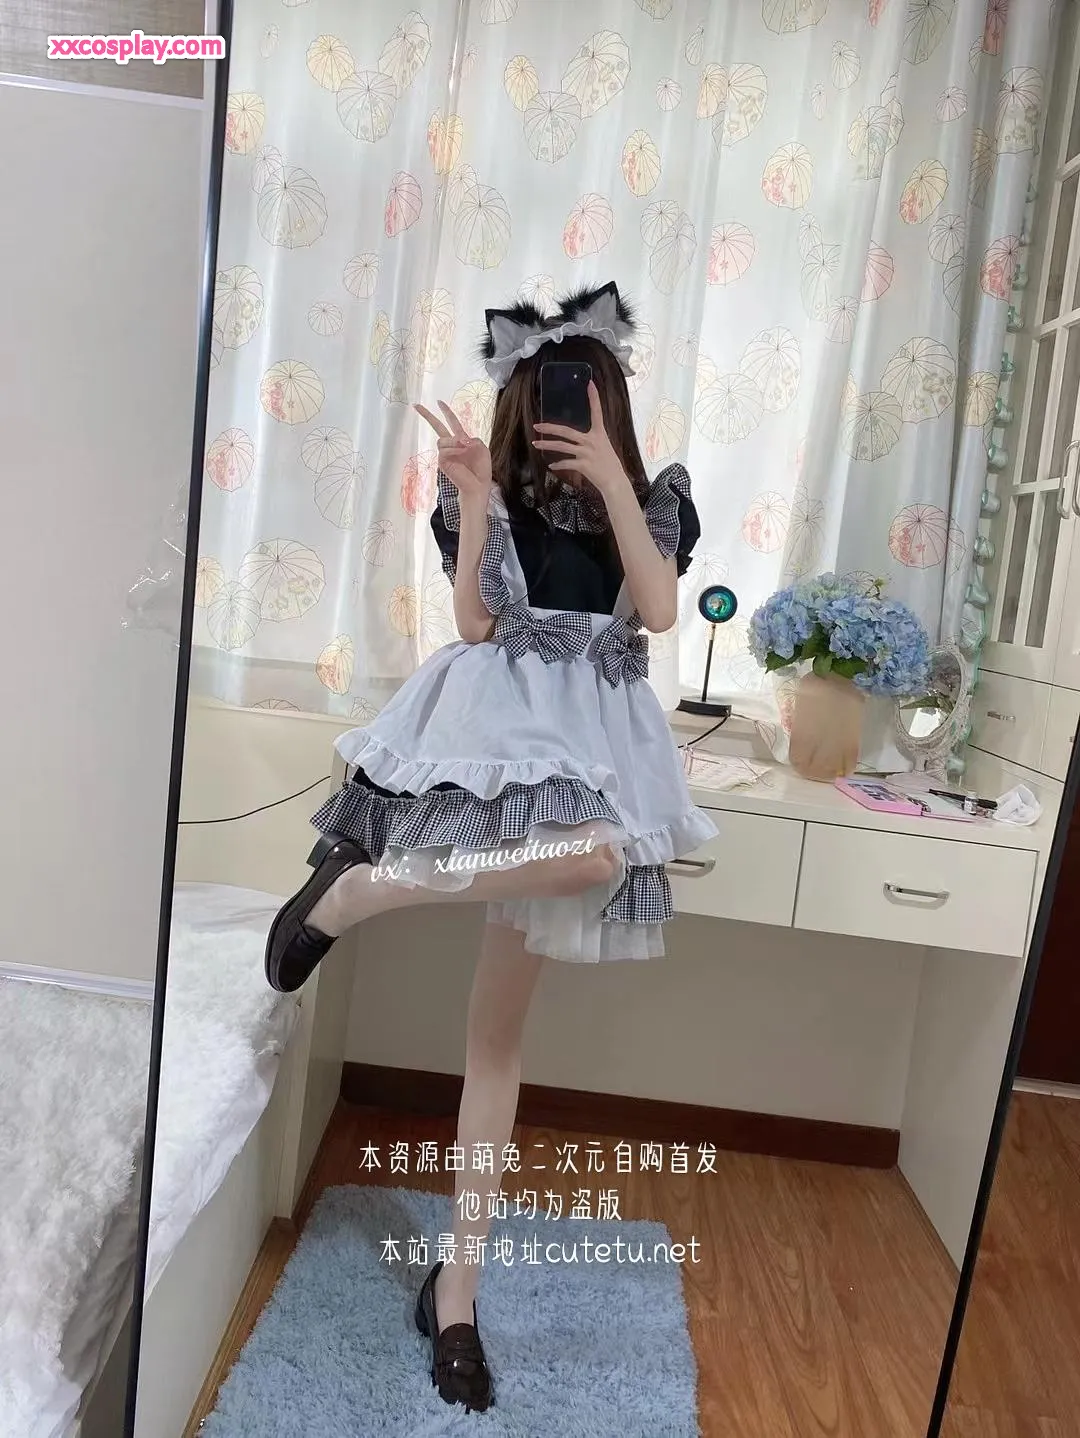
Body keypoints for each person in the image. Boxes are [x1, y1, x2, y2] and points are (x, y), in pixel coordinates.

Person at [263, 279, 718, 1415]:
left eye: (589, 393)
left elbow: (659, 612)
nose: (570, 408)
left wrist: (613, 479)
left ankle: (362, 894)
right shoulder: (490, 490)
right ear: (521, 398)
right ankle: (457, 1297)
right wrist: (472, 500)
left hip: (596, 744)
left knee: (528, 988)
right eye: (553, 391)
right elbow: (475, 623)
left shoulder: (654, 498)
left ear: (612, 402)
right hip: (498, 734)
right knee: (515, 1002)